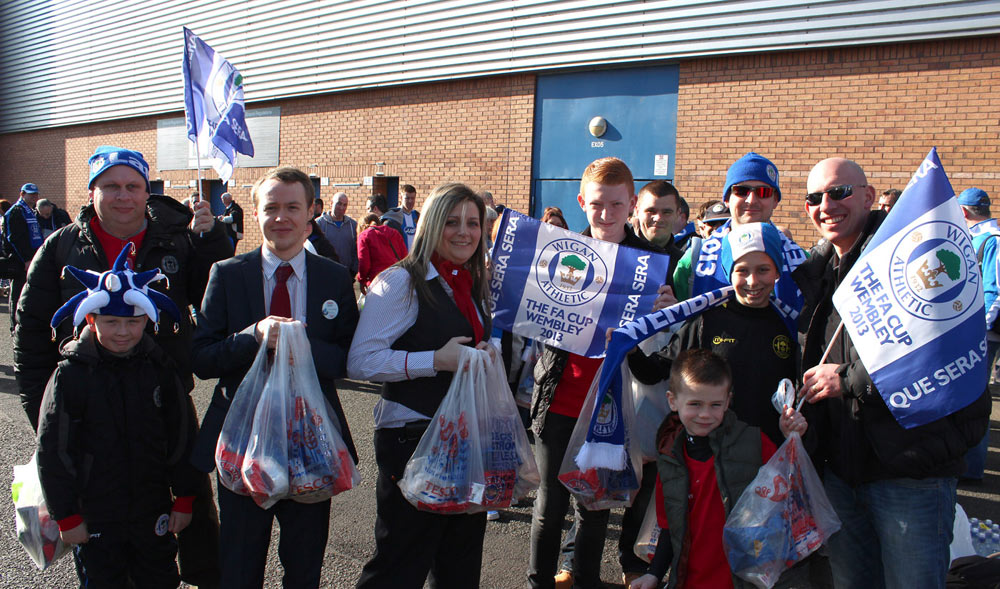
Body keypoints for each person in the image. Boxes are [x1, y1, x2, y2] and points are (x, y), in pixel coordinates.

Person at [14, 145, 231, 588]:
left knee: (189, 532)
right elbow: (30, 336)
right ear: (92, 190)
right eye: (110, 186)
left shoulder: (179, 238)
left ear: (145, 190)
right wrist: (48, 417)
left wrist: (211, 243)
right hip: (88, 414)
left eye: (133, 186)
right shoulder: (60, 249)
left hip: (162, 401)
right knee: (101, 549)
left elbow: (214, 299)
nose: (123, 196)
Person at [794, 157, 991, 588]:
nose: (825, 204)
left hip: (909, 470)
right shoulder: (818, 270)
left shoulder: (911, 258)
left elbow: (937, 349)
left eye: (838, 192)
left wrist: (845, 380)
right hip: (840, 472)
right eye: (814, 197)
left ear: (868, 196)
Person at [191, 166, 359, 588]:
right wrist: (253, 337)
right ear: (255, 212)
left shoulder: (334, 278)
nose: (281, 218)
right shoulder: (227, 274)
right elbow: (202, 358)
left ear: (310, 215)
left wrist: (297, 342)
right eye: (271, 208)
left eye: (292, 207)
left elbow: (350, 359)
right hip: (242, 442)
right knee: (239, 566)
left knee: (304, 569)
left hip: (311, 443)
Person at [529, 157, 675, 589]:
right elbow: (537, 325)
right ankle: (538, 582)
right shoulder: (560, 255)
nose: (606, 215)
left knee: (594, 508)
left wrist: (659, 324)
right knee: (549, 506)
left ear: (631, 203)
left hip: (611, 407)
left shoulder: (650, 264)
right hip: (560, 398)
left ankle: (586, 581)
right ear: (581, 202)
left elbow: (653, 365)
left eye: (616, 205)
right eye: (597, 205)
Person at [348, 183, 494, 588]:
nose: (464, 232)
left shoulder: (472, 280)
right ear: (430, 225)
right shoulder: (400, 282)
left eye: (472, 222)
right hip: (411, 439)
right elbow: (361, 361)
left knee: (459, 566)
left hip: (464, 435)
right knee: (401, 564)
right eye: (451, 222)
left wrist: (485, 353)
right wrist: (435, 360)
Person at [36, 244, 198, 588]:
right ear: (91, 319)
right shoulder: (71, 375)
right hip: (96, 511)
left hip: (152, 506)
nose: (123, 332)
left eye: (133, 322)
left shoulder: (159, 367)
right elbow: (53, 450)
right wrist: (66, 515)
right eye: (110, 322)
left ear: (147, 320)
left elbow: (182, 434)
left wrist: (184, 497)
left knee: (160, 578)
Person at [628, 349, 807, 589]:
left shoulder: (754, 443)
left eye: (715, 404)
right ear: (673, 401)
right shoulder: (670, 458)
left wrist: (790, 440)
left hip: (743, 581)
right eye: (695, 404)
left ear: (728, 401)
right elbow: (671, 528)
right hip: (690, 581)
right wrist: (654, 574)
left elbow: (790, 494)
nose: (705, 414)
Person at [629, 222, 799, 446]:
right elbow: (654, 372)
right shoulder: (706, 320)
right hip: (713, 460)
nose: (753, 281)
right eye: (742, 270)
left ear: (777, 270)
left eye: (763, 270)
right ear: (729, 272)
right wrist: (630, 350)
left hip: (771, 456)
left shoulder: (791, 324)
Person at [671, 153, 806, 336]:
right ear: (727, 199)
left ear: (775, 200)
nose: (751, 200)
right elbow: (679, 330)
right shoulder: (695, 258)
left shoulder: (803, 261)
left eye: (763, 192)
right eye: (741, 191)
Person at [958, 186, 1000, 481]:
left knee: (974, 398)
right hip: (974, 331)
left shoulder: (991, 240)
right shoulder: (979, 238)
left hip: (981, 334)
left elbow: (995, 291)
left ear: (963, 212)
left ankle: (972, 468)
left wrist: (978, 330)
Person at [4, 183, 42, 334]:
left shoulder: (31, 212)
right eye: (30, 194)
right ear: (22, 194)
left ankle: (26, 321)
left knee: (29, 291)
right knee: (17, 292)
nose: (34, 197)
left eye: (35, 194)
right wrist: (26, 259)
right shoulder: (16, 211)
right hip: (20, 260)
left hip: (32, 256)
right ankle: (15, 325)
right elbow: (15, 238)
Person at [357, 214, 408, 294]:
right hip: (398, 280)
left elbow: (364, 263)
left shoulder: (364, 235)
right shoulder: (395, 233)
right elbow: (405, 258)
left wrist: (362, 280)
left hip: (378, 283)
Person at [316, 191, 359, 278]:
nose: (342, 207)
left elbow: (356, 249)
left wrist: (353, 270)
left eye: (345, 205)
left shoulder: (353, 225)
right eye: (339, 204)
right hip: (325, 274)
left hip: (346, 274)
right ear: (331, 203)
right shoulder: (319, 224)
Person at [392, 184, 420, 249]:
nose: (410, 201)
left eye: (412, 198)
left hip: (414, 257)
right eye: (407, 198)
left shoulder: (417, 215)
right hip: (401, 257)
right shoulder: (395, 215)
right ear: (401, 198)